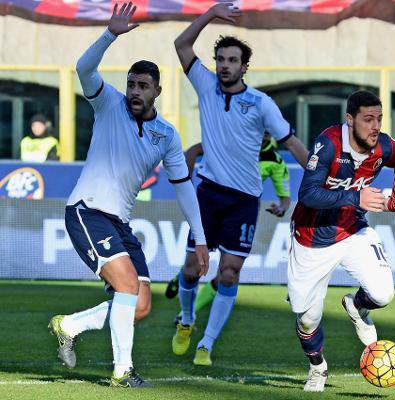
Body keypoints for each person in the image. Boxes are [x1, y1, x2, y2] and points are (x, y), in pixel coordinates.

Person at [47, 2, 209, 388]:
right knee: (125, 287)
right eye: (132, 84)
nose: (135, 91)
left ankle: (69, 325)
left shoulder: (167, 135)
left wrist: (200, 238)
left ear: (157, 90)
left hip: (120, 221)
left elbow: (184, 186)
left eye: (143, 86)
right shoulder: (108, 105)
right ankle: (123, 372)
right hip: (86, 212)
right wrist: (109, 35)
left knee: (138, 305)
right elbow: (83, 69)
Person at [171, 2, 308, 367]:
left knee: (228, 273)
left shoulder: (261, 103)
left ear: (244, 66)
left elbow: (290, 142)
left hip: (245, 200)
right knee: (189, 270)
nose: (225, 65)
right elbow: (182, 45)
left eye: (232, 60)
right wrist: (211, 14)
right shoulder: (204, 85)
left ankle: (207, 344)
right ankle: (186, 321)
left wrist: (315, 171)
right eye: (221, 59)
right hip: (208, 194)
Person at [288, 90, 395, 392]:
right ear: (350, 119)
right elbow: (307, 194)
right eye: (368, 119)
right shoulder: (329, 143)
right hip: (312, 238)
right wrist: (356, 195)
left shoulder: (382, 146)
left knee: (383, 294)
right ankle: (318, 367)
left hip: (352, 229)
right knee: (307, 320)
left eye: (379, 118)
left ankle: (357, 307)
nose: (375, 126)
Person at [165, 132, 293, 320]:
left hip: (243, 213)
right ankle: (184, 277)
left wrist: (281, 208)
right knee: (194, 266)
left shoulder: (275, 160)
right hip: (214, 206)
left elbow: (285, 197)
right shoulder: (231, 138)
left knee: (227, 274)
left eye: (266, 130)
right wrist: (186, 182)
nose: (261, 134)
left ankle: (185, 315)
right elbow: (194, 150)